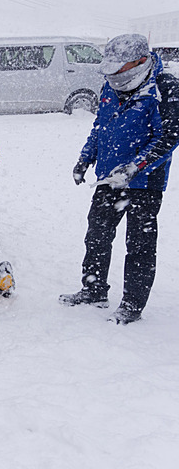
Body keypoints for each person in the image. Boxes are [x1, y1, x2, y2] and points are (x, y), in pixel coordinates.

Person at [61, 34, 179, 325]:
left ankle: (131, 305)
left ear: (140, 62)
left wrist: (136, 167)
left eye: (118, 69)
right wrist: (86, 157)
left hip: (144, 183)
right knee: (97, 236)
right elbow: (101, 126)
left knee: (139, 245)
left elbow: (169, 136)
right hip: (108, 179)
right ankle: (94, 290)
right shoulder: (109, 87)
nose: (113, 75)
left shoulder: (164, 87)